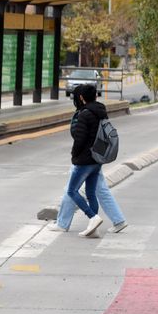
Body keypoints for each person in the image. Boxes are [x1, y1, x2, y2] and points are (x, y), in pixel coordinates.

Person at [48, 85, 128, 234]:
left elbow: (80, 138)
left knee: (71, 191)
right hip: (96, 159)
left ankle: (91, 217)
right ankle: (95, 226)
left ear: (81, 98)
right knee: (92, 193)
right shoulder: (101, 112)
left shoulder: (84, 114)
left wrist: (74, 155)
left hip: (84, 160)